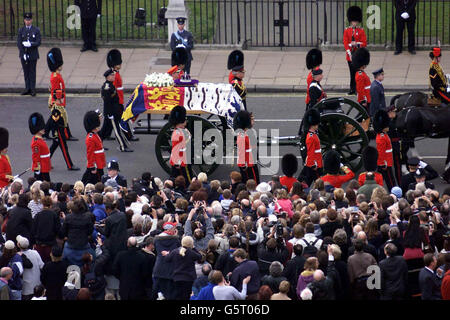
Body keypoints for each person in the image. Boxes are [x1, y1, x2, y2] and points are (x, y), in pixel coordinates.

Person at [107, 49, 138, 142]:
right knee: (123, 118)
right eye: (118, 63)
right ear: (115, 64)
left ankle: (105, 134)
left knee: (109, 120)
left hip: (117, 100)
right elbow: (114, 90)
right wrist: (118, 101)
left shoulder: (115, 73)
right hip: (117, 101)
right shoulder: (114, 75)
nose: (120, 65)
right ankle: (128, 136)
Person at [45, 47, 76, 141]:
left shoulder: (56, 75)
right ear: (57, 65)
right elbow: (56, 90)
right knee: (63, 117)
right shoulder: (55, 77)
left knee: (54, 118)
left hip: (58, 99)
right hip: (57, 100)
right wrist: (59, 101)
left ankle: (46, 133)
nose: (62, 65)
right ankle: (64, 135)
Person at [99, 69, 132, 152]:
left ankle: (98, 145)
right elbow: (107, 102)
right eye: (112, 75)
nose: (114, 76)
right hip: (111, 113)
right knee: (117, 131)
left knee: (104, 131)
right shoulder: (107, 88)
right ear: (108, 77)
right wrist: (110, 114)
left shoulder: (110, 85)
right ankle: (122, 147)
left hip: (112, 112)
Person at [162, 236, 202, 300]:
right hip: (189, 278)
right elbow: (200, 256)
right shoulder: (191, 253)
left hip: (177, 278)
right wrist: (194, 248)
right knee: (186, 296)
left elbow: (167, 259)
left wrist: (167, 254)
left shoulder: (175, 251)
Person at [59, 198, 95, 267]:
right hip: (83, 244)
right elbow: (90, 231)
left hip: (70, 245)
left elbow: (63, 231)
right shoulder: (87, 218)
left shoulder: (68, 217)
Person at [48, 100, 79, 171]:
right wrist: (55, 135)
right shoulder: (56, 110)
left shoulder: (60, 107)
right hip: (59, 133)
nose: (62, 100)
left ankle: (44, 162)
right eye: (59, 99)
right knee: (64, 150)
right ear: (56, 100)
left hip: (61, 131)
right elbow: (54, 124)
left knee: (52, 149)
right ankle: (70, 165)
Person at [153, 222, 181, 300]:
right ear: (171, 229)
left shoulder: (156, 240)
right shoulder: (176, 240)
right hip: (171, 270)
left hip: (159, 269)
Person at [343, 6, 366, 95]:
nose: (354, 23)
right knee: (352, 74)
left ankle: (358, 89)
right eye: (353, 21)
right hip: (350, 56)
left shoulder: (361, 31)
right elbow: (345, 42)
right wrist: (349, 50)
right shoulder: (347, 31)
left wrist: (357, 44)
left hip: (357, 55)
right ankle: (352, 89)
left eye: (355, 21)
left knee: (358, 73)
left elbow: (364, 43)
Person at [17, 12, 41, 96]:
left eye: (29, 20)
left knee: (32, 72)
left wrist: (31, 44)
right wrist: (23, 53)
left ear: (32, 20)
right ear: (24, 20)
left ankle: (33, 89)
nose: (28, 22)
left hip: (33, 54)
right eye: (26, 20)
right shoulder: (21, 30)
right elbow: (19, 43)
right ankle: (27, 88)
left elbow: (38, 42)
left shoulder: (36, 30)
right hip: (24, 54)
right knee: (26, 72)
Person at [298, 108, 322, 186]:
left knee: (306, 182)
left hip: (315, 162)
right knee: (312, 183)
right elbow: (311, 152)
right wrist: (313, 165)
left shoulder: (313, 134)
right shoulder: (311, 137)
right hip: (313, 164)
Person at [234, 110, 259, 184]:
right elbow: (242, 152)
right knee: (252, 183)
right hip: (248, 164)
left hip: (251, 162)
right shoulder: (242, 135)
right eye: (251, 119)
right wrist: (243, 165)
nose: (253, 120)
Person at [169, 106, 193, 183]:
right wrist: (177, 163)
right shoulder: (180, 133)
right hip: (181, 161)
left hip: (184, 158)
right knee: (184, 179)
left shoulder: (181, 131)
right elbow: (176, 150)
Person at [81, 111, 106, 185]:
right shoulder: (90, 138)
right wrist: (92, 166)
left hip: (99, 163)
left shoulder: (95, 134)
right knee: (93, 181)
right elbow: (90, 153)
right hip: (96, 165)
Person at [17, 235, 44, 300]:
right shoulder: (35, 252)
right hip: (37, 284)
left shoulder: (18, 256)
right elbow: (42, 266)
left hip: (26, 288)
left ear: (18, 245)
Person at [374, 110, 396, 190]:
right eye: (387, 126)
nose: (388, 127)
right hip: (385, 163)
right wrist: (383, 164)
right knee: (390, 181)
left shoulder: (383, 135)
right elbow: (381, 153)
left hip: (386, 162)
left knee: (380, 181)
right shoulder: (382, 138)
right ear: (383, 128)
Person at [29, 113, 51, 182]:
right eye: (41, 128)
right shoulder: (36, 142)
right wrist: (37, 169)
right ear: (37, 129)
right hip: (42, 168)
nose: (43, 129)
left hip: (45, 165)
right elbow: (36, 157)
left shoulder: (39, 139)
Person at [352, 47, 371, 112]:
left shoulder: (361, 73)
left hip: (367, 98)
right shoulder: (360, 75)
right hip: (365, 100)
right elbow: (360, 89)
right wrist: (363, 100)